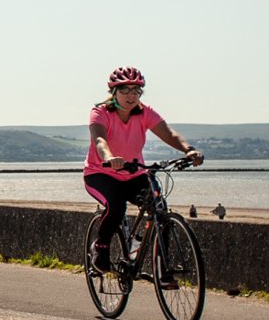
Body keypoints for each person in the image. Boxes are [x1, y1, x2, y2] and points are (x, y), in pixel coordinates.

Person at [84, 66, 203, 272]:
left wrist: (189, 150)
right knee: (116, 206)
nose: (131, 95)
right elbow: (100, 139)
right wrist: (110, 157)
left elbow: (169, 134)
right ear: (114, 92)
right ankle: (100, 245)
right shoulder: (100, 112)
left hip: (133, 173)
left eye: (136, 91)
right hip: (100, 173)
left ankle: (162, 269)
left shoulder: (145, 112)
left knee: (159, 211)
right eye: (125, 90)